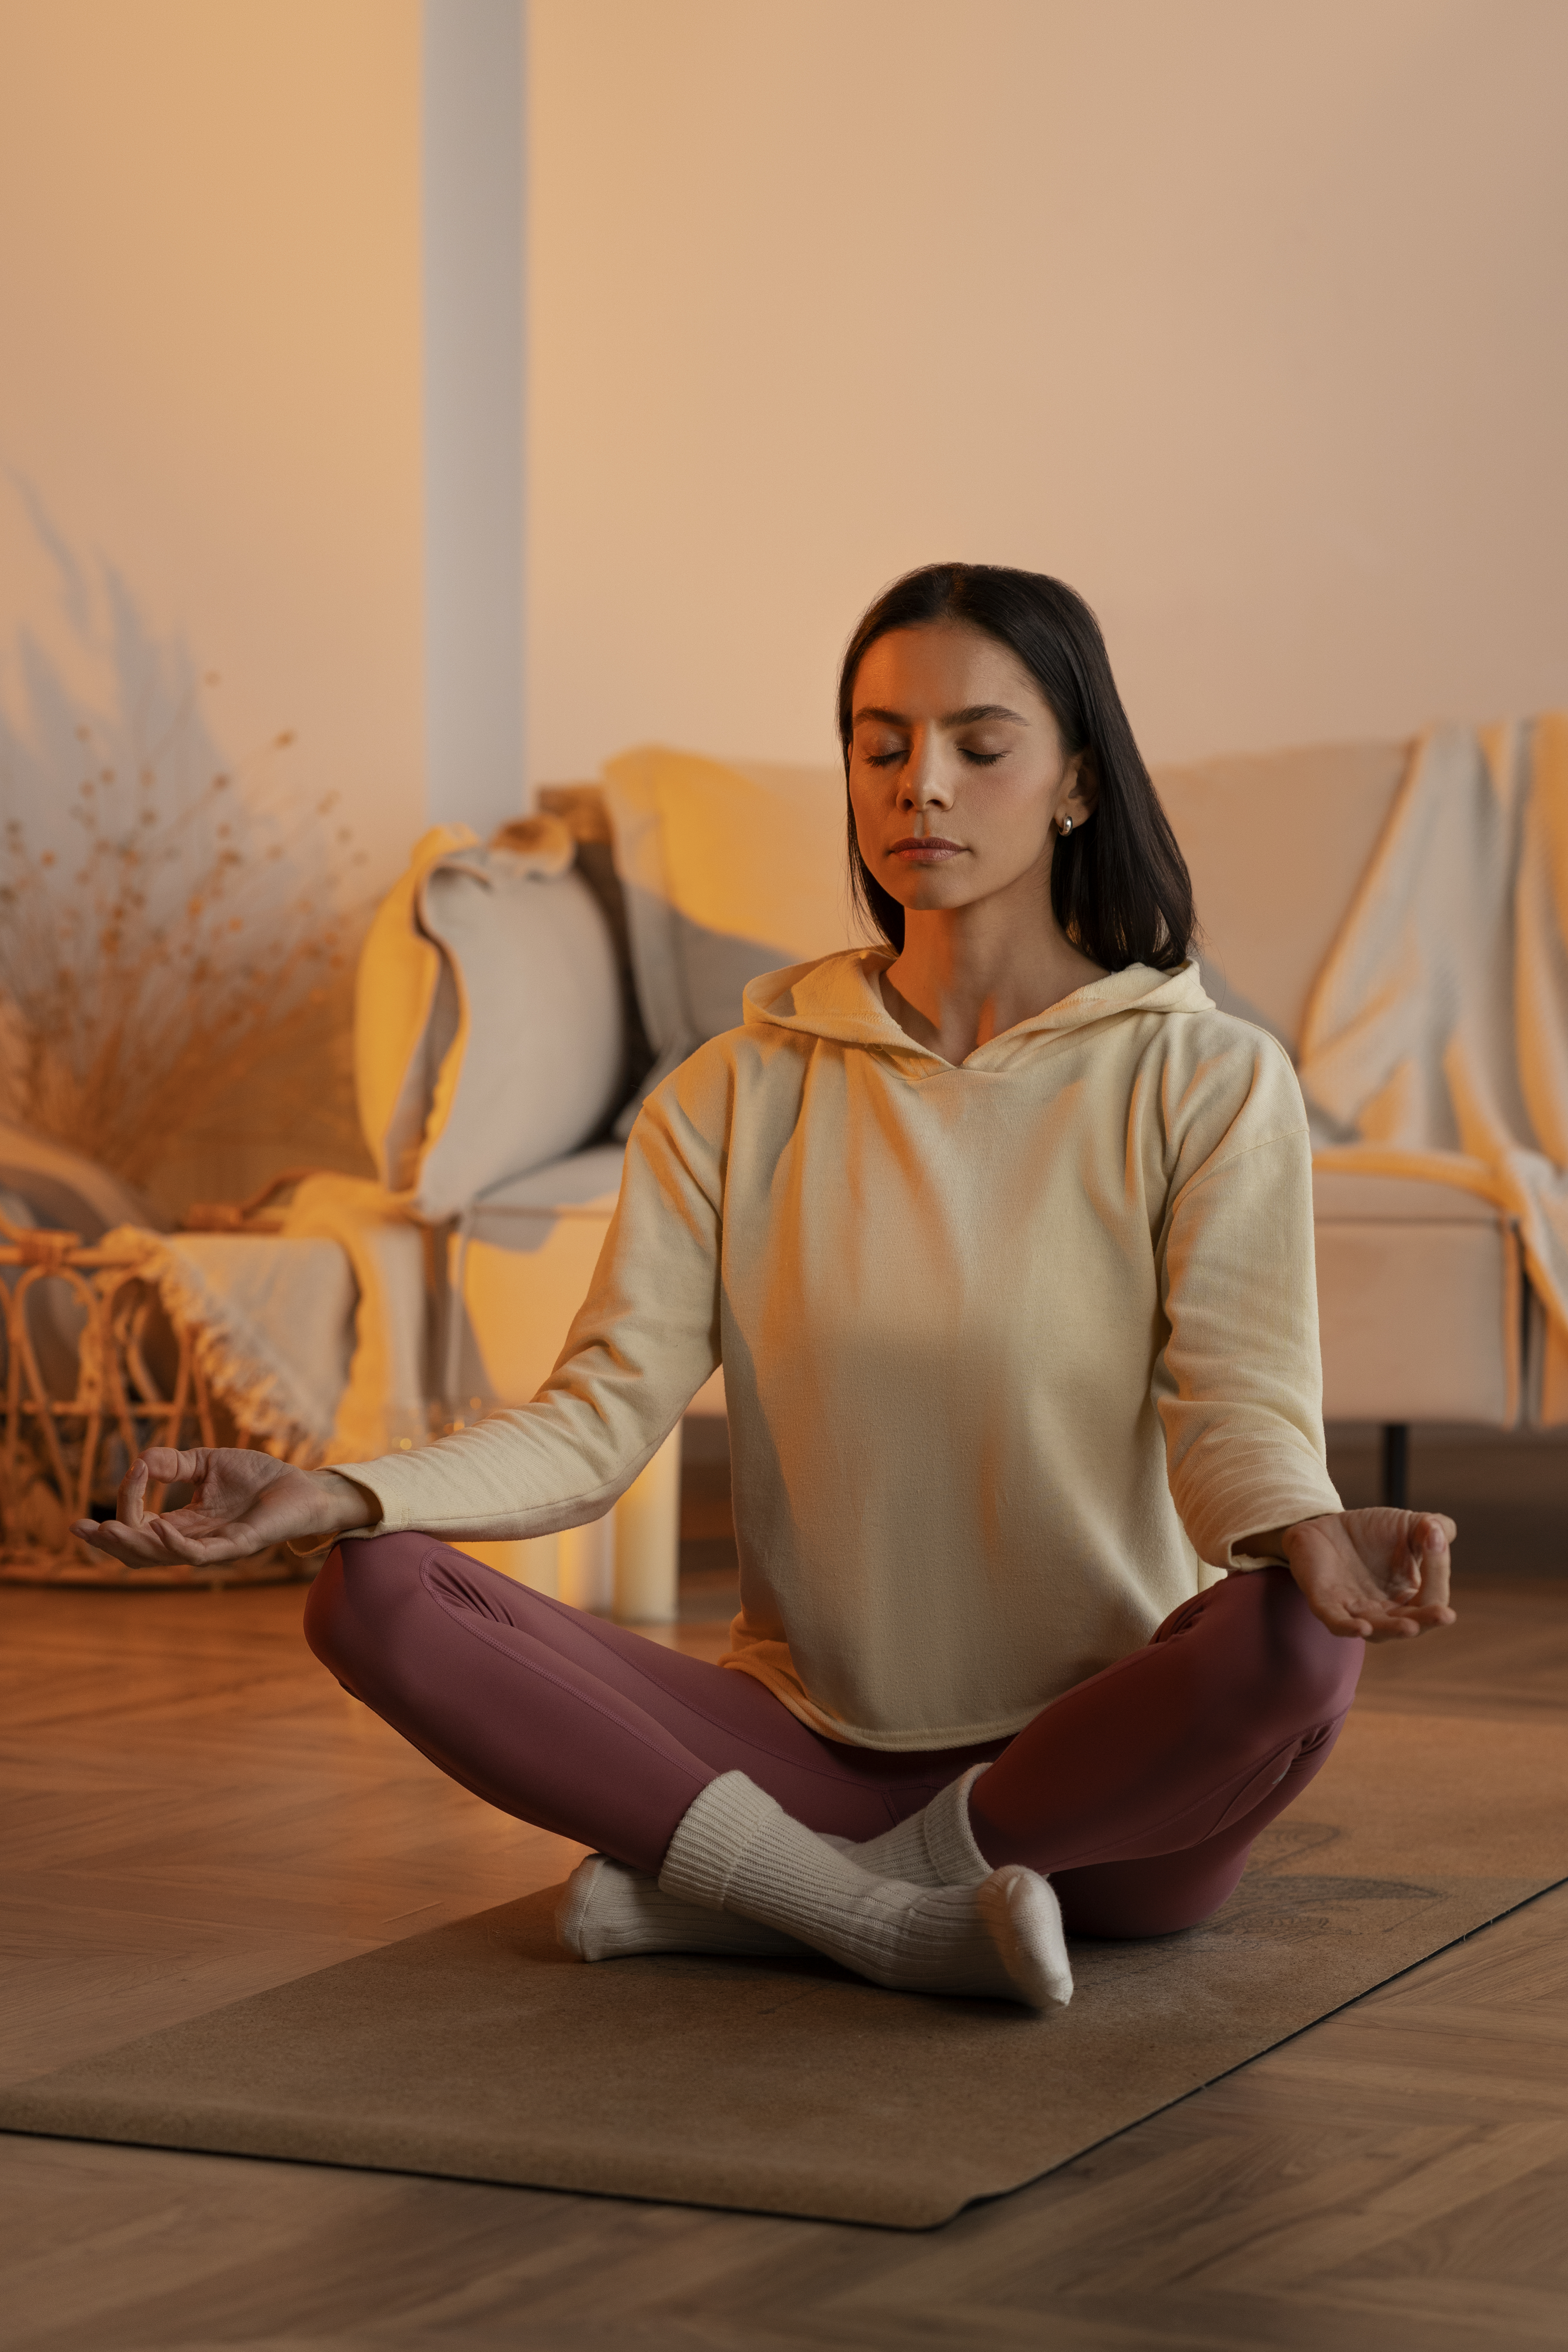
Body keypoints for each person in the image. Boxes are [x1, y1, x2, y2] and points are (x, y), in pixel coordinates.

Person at [79, 562, 1457, 2012]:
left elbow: (1233, 1407)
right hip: (799, 1745)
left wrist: (1301, 1525)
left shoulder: (1205, 1076)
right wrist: (343, 1487)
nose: (919, 785)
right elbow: (597, 1420)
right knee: (369, 1593)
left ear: (1072, 783)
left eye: (978, 747)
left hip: (1098, 1780)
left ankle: (770, 1891)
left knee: (1295, 1637)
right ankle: (867, 1908)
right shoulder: (733, 1090)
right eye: (880, 746)